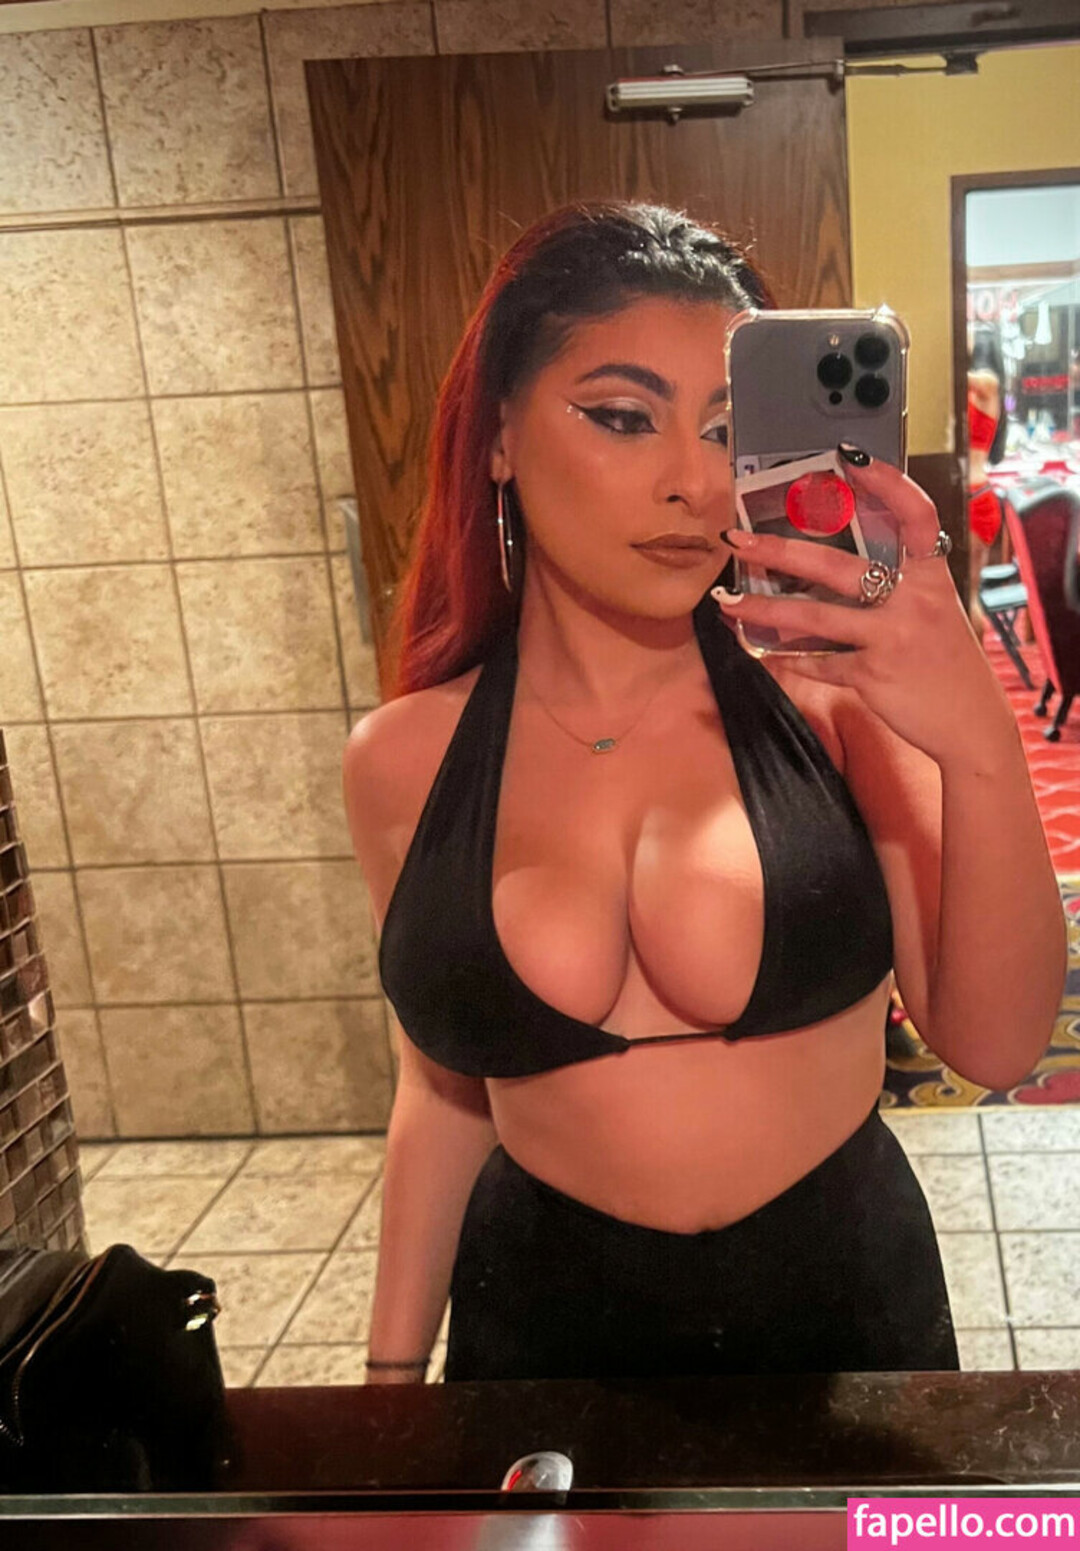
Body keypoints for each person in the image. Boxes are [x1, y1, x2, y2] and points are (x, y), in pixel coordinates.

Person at [344, 202, 1067, 1385]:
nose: (694, 481)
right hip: (539, 1330)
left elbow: (999, 1043)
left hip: (844, 1324)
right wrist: (387, 1387)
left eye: (730, 429)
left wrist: (978, 742)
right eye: (622, 417)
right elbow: (443, 1089)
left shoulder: (835, 705)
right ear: (499, 437)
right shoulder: (402, 758)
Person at [966, 322, 1009, 640]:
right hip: (975, 495)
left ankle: (975, 662)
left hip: (975, 499)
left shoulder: (988, 383)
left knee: (968, 596)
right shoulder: (979, 389)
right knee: (966, 595)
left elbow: (953, 375)